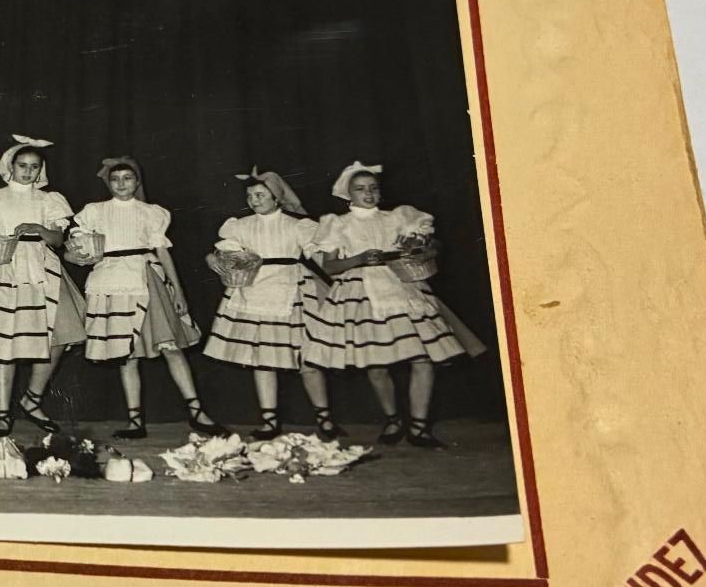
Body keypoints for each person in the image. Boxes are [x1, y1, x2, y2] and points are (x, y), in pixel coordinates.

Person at [303, 161, 468, 448]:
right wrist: (360, 258)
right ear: (348, 194)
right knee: (376, 364)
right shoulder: (338, 224)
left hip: (402, 288)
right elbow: (330, 267)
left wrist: (425, 250)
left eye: (373, 188)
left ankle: (419, 427)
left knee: (422, 358)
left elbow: (433, 244)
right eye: (360, 189)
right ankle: (393, 419)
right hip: (361, 293)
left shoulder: (398, 217)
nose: (368, 194)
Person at [71, 157, 224, 440]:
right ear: (108, 183)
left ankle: (197, 412)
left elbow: (163, 252)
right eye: (115, 179)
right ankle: (135, 421)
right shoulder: (94, 212)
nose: (121, 184)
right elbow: (76, 248)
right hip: (110, 281)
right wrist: (80, 252)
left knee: (171, 347)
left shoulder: (151, 213)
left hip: (145, 278)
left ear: (137, 182)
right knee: (125, 354)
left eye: (128, 178)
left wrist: (178, 291)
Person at [0, 135, 87, 436]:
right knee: (3, 341)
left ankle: (32, 398)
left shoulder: (49, 200)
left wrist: (38, 229)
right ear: (11, 166)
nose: (27, 172)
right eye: (22, 165)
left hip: (42, 269)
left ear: (41, 170)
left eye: (34, 167)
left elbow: (58, 239)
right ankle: (2, 414)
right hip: (3, 267)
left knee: (62, 334)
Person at [201, 167, 332, 440]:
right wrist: (213, 260)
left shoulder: (297, 225)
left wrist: (340, 279)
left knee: (307, 357)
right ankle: (269, 421)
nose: (254, 200)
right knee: (263, 359)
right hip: (254, 289)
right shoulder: (241, 225)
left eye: (260, 194)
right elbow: (222, 253)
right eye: (250, 195)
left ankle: (324, 417)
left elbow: (319, 258)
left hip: (292, 290)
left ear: (277, 198)